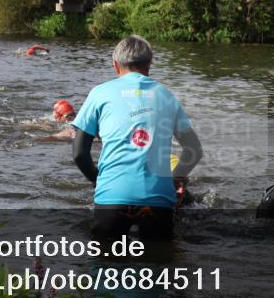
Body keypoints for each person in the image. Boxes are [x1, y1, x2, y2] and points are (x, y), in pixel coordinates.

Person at [72, 35, 203, 242]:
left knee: (106, 267)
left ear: (115, 65)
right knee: (159, 268)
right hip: (158, 201)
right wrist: (174, 180)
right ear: (149, 63)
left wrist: (97, 180)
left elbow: (79, 153)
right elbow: (194, 150)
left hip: (112, 198)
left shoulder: (99, 93)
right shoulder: (167, 96)